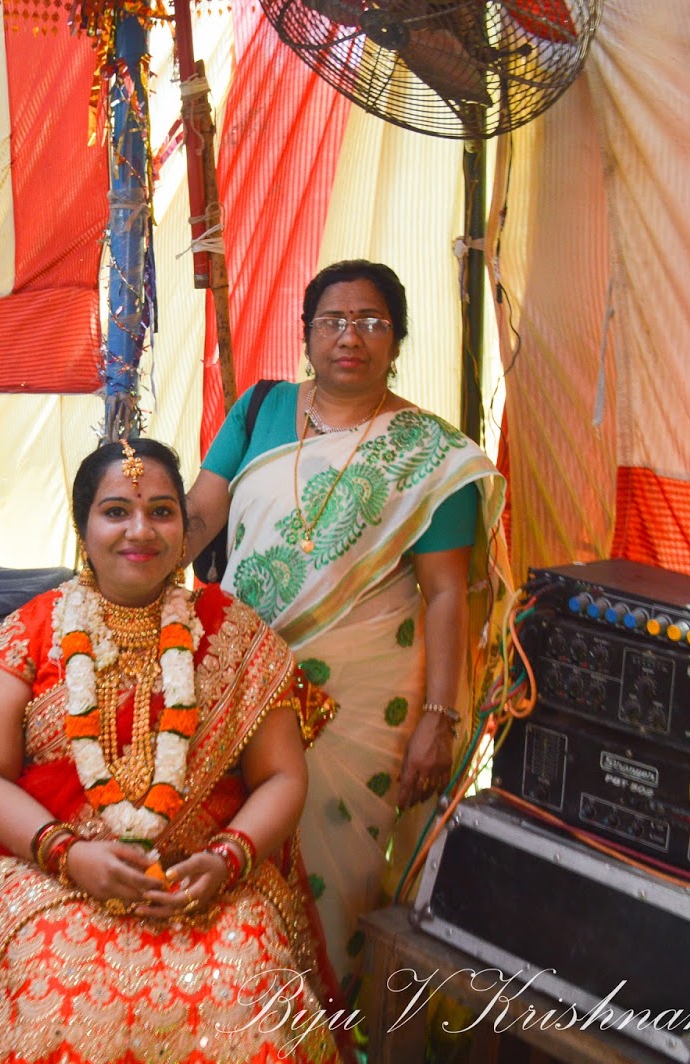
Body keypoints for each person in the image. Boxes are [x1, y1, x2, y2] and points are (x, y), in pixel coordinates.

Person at [0, 438, 344, 1063]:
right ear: (82, 528)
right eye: (116, 511)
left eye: (162, 511)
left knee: (240, 979)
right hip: (50, 874)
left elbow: (281, 776)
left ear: (185, 529)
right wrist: (68, 855)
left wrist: (226, 860)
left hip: (205, 880)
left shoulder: (236, 633)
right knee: (53, 982)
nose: (141, 530)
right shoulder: (30, 631)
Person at [182, 259, 508, 994]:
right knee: (226, 844)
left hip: (362, 702)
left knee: (336, 869)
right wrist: (128, 571)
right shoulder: (259, 409)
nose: (349, 337)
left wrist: (438, 719)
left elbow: (446, 595)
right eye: (332, 320)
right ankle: (234, 1013)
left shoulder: (431, 456)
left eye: (370, 322)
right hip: (240, 678)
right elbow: (200, 512)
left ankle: (324, 1018)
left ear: (397, 339)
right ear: (306, 334)